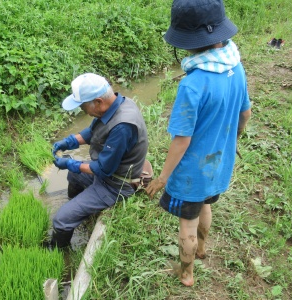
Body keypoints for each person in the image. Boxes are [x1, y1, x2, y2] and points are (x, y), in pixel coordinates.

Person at [145, 0, 252, 287]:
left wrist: (163, 177)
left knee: (186, 225)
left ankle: (187, 273)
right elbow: (245, 113)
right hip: (218, 163)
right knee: (206, 205)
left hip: (191, 172)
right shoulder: (236, 66)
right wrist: (234, 140)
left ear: (187, 42)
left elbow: (182, 139)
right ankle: (203, 249)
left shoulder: (192, 84)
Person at [50, 73, 149, 249]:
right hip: (108, 174)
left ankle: (55, 252)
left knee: (61, 219)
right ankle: (78, 210)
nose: (82, 110)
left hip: (116, 185)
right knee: (74, 175)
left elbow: (103, 169)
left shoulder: (123, 126)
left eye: (82, 106)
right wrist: (70, 142)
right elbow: (92, 131)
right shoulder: (117, 104)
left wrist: (70, 163)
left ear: (98, 101)